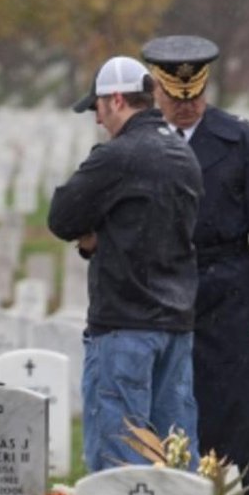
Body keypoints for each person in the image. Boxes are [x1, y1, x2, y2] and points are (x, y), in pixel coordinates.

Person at [141, 34, 249, 495]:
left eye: (195, 97)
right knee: (174, 424)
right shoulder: (140, 143)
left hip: (233, 296)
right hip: (166, 292)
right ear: (157, 92)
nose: (186, 108)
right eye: (176, 98)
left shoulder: (241, 140)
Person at [47, 55, 204, 473]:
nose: (97, 119)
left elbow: (60, 216)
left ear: (116, 100)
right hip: (176, 326)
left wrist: (92, 237)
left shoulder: (117, 157)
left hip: (124, 326)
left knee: (122, 459)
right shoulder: (183, 154)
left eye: (97, 107)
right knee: (176, 453)